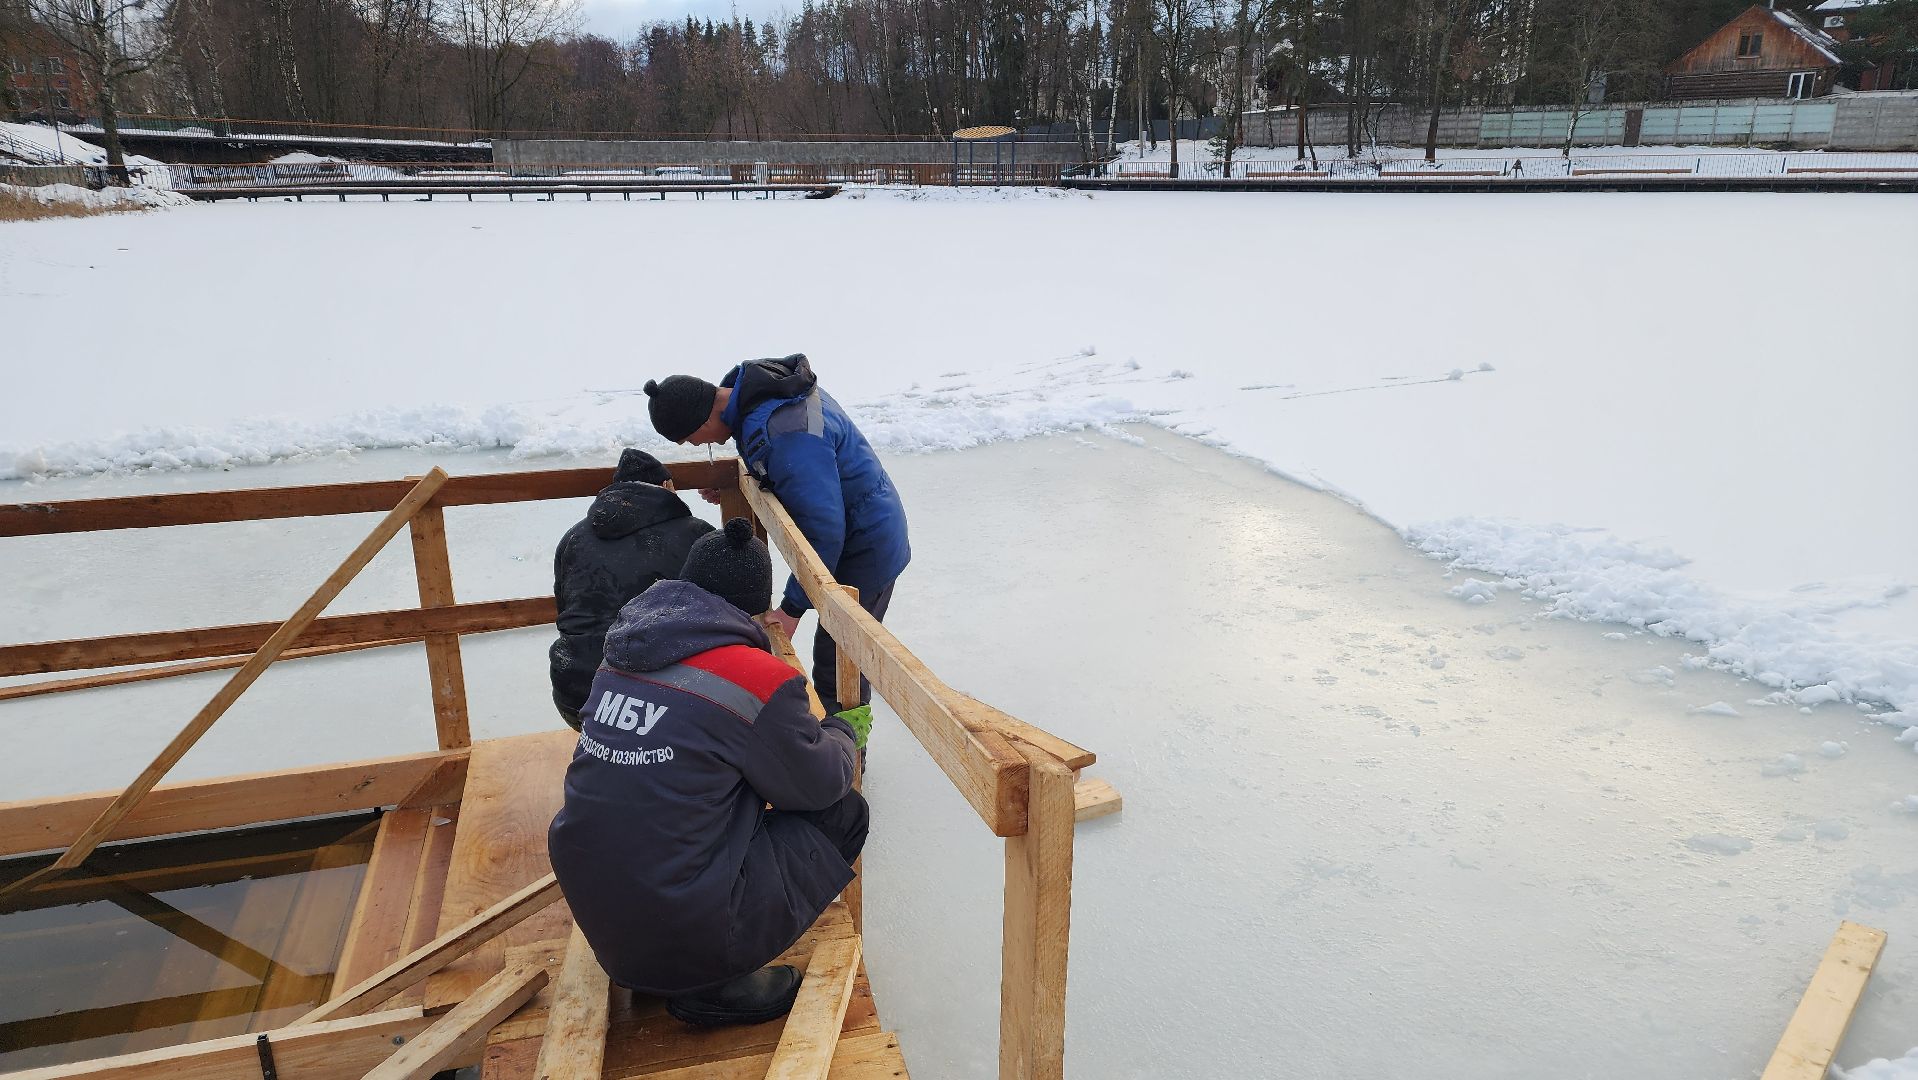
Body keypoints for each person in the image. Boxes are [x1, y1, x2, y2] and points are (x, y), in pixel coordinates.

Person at [547, 518, 872, 1026]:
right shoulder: (754, 679)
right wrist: (843, 735)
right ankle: (715, 983)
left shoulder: (622, 655)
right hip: (682, 925)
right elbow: (819, 783)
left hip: (600, 912)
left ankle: (661, 962)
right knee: (842, 812)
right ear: (757, 609)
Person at [642, 354, 910, 716]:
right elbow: (798, 472)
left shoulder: (785, 428)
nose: (698, 448)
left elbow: (823, 528)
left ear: (705, 416)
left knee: (841, 658)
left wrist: (792, 608)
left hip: (868, 541)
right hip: (853, 519)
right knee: (837, 655)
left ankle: (848, 759)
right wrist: (759, 480)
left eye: (693, 440)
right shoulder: (755, 394)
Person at [549, 448, 713, 727]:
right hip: (659, 701)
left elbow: (565, 608)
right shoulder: (698, 535)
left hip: (575, 692)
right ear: (666, 487)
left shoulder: (573, 537)